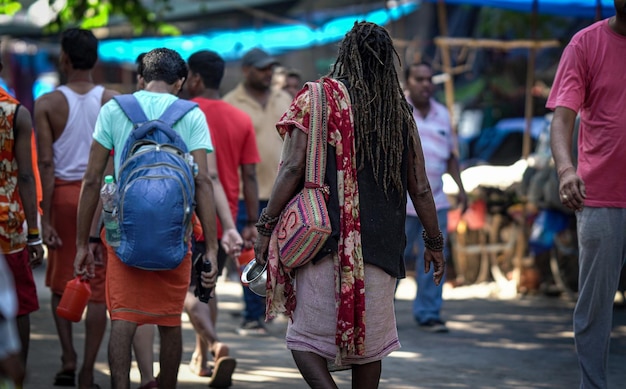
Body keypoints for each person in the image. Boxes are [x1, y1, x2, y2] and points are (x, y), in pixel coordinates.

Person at [254, 21, 446, 388]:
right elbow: (420, 187)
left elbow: (293, 166)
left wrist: (266, 225)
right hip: (381, 247)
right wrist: (434, 242)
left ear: (344, 57)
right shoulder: (399, 114)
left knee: (304, 340)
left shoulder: (316, 100)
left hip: (323, 240)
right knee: (368, 349)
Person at [73, 47, 220, 389]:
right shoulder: (192, 114)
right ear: (180, 82)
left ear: (141, 78)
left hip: (123, 233)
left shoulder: (114, 109)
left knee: (122, 319)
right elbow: (203, 181)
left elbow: (92, 179)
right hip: (175, 235)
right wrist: (210, 247)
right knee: (169, 322)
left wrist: (83, 242)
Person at [547, 2, 626, 388]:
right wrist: (566, 171)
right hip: (600, 195)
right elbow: (562, 118)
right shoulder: (585, 44)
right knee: (596, 308)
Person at [34, 27, 118, 389]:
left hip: (64, 199)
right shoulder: (112, 100)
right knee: (97, 286)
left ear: (64, 59)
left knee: (60, 281)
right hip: (100, 197)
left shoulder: (46, 104)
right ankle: (86, 369)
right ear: (95, 60)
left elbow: (46, 165)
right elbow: (115, 160)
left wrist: (46, 217)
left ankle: (66, 357)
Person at [185, 49, 259, 385]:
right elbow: (250, 177)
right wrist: (250, 221)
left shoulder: (185, 114)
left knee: (187, 288)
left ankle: (211, 348)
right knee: (207, 288)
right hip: (225, 216)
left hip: (187, 215)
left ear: (195, 78)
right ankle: (203, 356)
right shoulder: (240, 118)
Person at [223, 47, 292, 336]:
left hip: (283, 190)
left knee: (287, 253)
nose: (268, 74)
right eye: (262, 69)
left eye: (270, 69)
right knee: (252, 255)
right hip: (245, 195)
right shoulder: (231, 104)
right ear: (246, 70)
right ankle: (253, 315)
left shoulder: (285, 98)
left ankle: (283, 309)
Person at [403, 62, 467, 333]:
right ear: (408, 82)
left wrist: (461, 188)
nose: (425, 84)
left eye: (429, 79)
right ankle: (378, 315)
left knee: (434, 255)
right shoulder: (398, 110)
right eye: (419, 79)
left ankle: (428, 313)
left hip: (436, 201)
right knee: (392, 256)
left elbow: (452, 156)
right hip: (401, 202)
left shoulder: (443, 114)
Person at [0, 60, 45, 378]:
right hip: (9, 226)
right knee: (18, 304)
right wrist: (34, 233)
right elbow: (26, 177)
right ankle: (18, 377)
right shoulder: (16, 113)